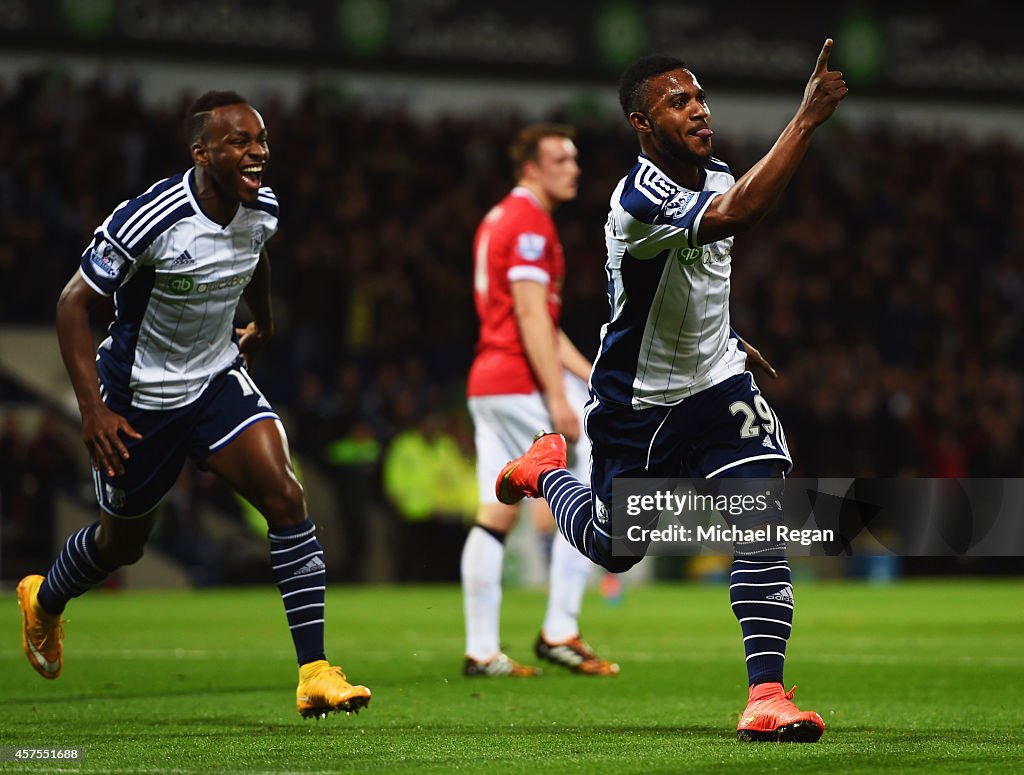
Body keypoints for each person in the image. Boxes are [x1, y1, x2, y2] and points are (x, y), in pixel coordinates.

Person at [495, 41, 847, 741]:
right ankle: (546, 471)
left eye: (700, 97)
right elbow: (737, 215)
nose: (699, 110)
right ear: (642, 124)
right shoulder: (639, 197)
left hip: (718, 387)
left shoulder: (712, 171)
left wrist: (727, 337)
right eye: (677, 102)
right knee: (616, 546)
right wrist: (804, 120)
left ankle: (766, 693)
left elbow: (697, 279)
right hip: (639, 406)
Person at [15, 90, 371, 720]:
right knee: (121, 545)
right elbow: (73, 304)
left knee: (286, 498)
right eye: (240, 141)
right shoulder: (151, 218)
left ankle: (315, 671)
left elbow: (254, 256)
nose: (256, 152)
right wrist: (94, 412)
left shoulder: (263, 207)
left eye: (260, 140)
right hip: (137, 402)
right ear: (202, 152)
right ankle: (44, 599)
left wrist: (259, 321)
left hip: (214, 382)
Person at [462, 123, 619, 677]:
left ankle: (481, 650)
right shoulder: (530, 222)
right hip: (519, 379)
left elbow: (545, 328)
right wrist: (558, 395)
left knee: (495, 512)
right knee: (589, 484)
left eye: (574, 159)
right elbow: (531, 316)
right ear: (531, 166)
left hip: (488, 382)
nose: (573, 168)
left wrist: (595, 375)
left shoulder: (499, 217)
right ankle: (560, 629)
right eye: (561, 159)